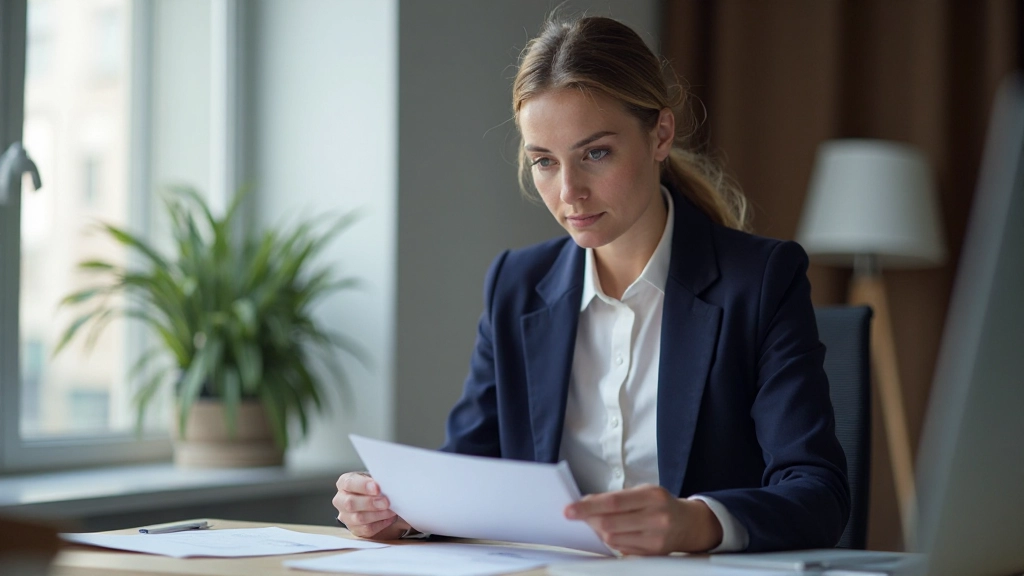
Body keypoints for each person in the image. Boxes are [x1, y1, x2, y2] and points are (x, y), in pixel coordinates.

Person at [333, 15, 850, 555]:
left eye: (595, 153)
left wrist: (695, 522)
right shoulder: (516, 285)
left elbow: (818, 492)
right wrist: (402, 511)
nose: (569, 192)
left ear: (661, 135)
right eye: (544, 163)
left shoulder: (761, 281)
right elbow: (470, 471)